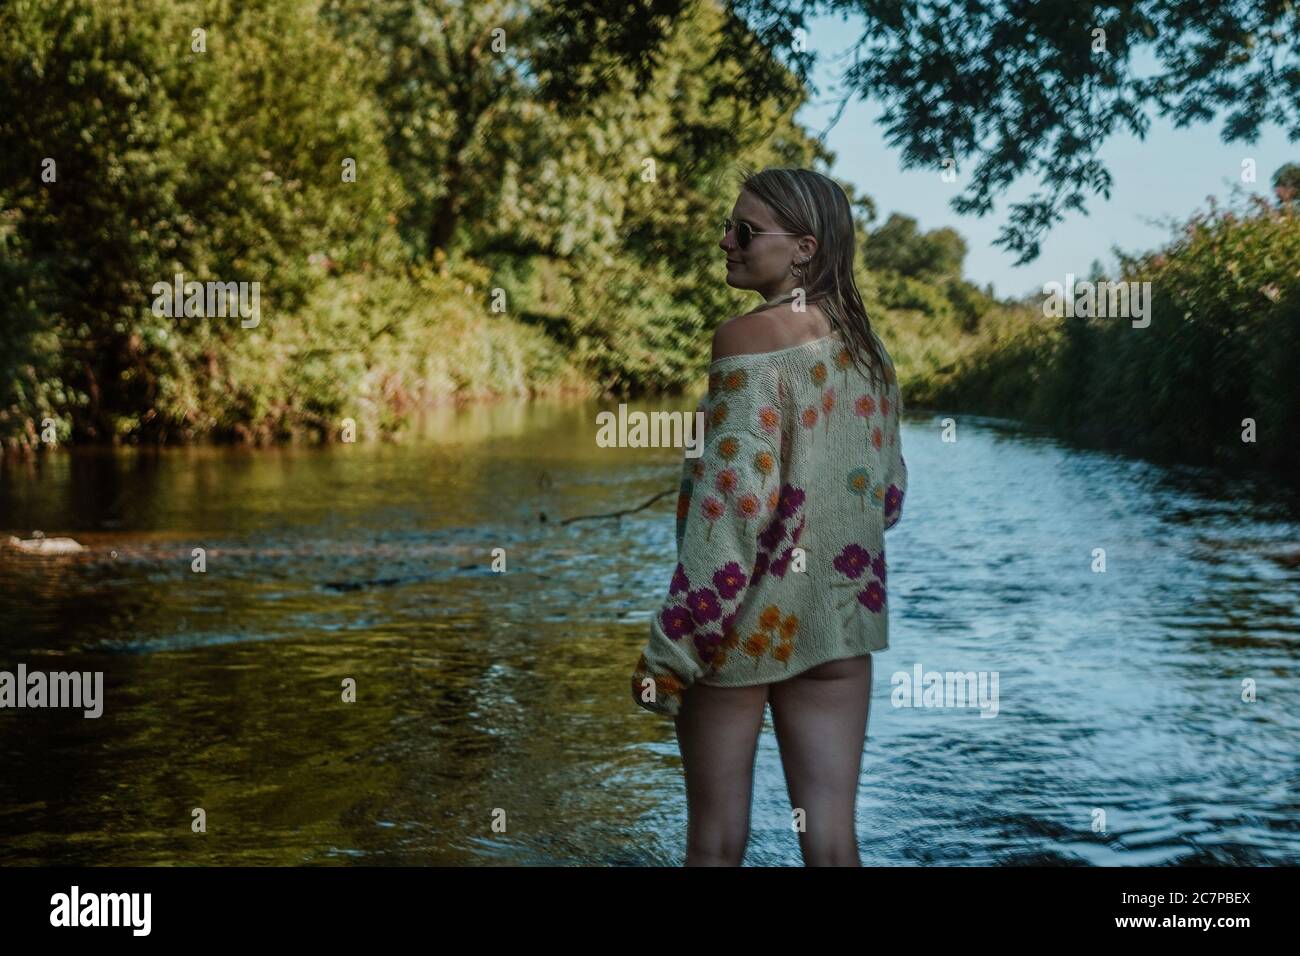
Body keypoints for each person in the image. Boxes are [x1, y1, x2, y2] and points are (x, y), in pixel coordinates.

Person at [630, 166, 908, 866]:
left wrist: (671, 651)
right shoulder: (871, 355)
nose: (726, 240)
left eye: (746, 231)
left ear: (805, 248)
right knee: (833, 845)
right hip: (840, 626)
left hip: (745, 631)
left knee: (717, 845)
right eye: (730, 226)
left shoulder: (746, 340)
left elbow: (732, 512)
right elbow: (890, 498)